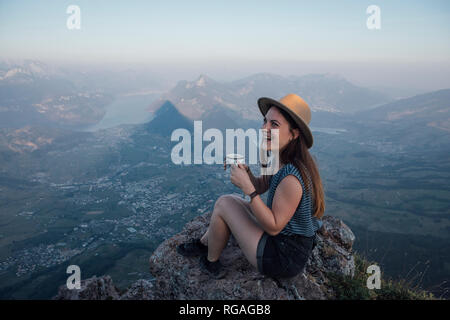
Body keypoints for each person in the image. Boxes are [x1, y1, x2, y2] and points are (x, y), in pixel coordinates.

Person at [177, 93, 326, 279]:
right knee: (229, 200)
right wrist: (246, 173)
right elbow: (262, 184)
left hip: (282, 257)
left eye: (275, 125)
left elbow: (273, 227)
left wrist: (249, 189)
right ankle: (204, 243)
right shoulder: (279, 158)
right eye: (265, 121)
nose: (265, 128)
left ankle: (211, 261)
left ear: (294, 134)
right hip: (280, 239)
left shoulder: (292, 179)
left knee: (224, 204)